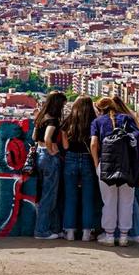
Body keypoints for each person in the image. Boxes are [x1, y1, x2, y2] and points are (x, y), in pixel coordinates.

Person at [90, 96, 139, 247]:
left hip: (106, 166)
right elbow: (138, 142)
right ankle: (124, 236)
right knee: (127, 201)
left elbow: (93, 144)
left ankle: (110, 235)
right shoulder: (127, 119)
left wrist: (96, 164)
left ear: (99, 110)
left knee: (109, 201)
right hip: (128, 166)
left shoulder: (97, 122)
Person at [60, 96, 98, 241]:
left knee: (70, 196)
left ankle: (69, 232)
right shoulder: (94, 121)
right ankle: (86, 233)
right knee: (88, 197)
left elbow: (65, 146)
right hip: (88, 159)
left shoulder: (69, 120)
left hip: (71, 158)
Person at [33, 91, 67, 240]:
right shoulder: (53, 120)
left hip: (39, 155)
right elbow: (48, 137)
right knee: (49, 196)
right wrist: (52, 150)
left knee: (48, 194)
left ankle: (55, 228)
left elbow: (34, 137)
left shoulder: (40, 117)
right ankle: (41, 231)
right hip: (48, 157)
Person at [113, 96, 139, 244]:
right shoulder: (131, 120)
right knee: (130, 200)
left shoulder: (117, 121)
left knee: (119, 200)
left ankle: (123, 233)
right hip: (132, 165)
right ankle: (136, 233)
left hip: (118, 165)